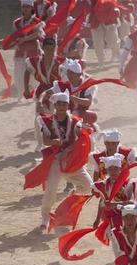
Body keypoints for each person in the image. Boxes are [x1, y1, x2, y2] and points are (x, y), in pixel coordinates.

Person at [37, 90, 94, 231]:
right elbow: (45, 140)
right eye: (60, 104)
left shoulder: (75, 121)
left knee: (88, 186)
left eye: (65, 104)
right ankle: (45, 217)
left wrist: (69, 150)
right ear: (55, 105)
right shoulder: (47, 121)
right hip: (56, 161)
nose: (62, 106)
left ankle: (67, 204)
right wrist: (53, 142)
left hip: (72, 160)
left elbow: (82, 137)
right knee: (51, 191)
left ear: (68, 105)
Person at [91, 153, 137, 243]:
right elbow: (102, 202)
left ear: (120, 169)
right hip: (112, 219)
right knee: (117, 242)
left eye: (116, 169)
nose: (113, 172)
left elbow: (133, 203)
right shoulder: (104, 185)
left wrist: (115, 205)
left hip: (128, 218)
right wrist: (97, 219)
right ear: (107, 170)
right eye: (110, 169)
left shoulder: (128, 184)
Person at [24, 37, 63, 151]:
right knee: (39, 117)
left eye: (52, 48)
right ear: (43, 48)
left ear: (55, 48)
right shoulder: (35, 61)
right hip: (41, 92)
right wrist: (26, 88)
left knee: (57, 118)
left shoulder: (60, 61)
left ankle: (57, 141)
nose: (50, 51)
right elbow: (27, 71)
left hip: (57, 92)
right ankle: (40, 143)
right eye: (48, 49)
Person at [3, 0, 45, 100]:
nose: (25, 9)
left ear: (31, 8)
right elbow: (14, 36)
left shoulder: (37, 21)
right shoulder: (17, 22)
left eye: (27, 7)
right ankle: (20, 96)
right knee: (18, 76)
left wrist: (25, 39)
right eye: (24, 7)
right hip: (20, 52)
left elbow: (38, 34)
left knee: (34, 76)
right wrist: (4, 42)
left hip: (33, 51)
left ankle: (35, 94)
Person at [42, 59, 98, 130]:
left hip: (80, 115)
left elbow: (88, 102)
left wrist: (72, 98)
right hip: (64, 115)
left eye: (72, 73)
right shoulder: (62, 85)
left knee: (92, 116)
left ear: (79, 74)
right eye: (68, 73)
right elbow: (46, 93)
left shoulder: (86, 85)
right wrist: (39, 102)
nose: (69, 75)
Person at [90, 0, 121, 64]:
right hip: (95, 20)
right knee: (98, 42)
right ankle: (100, 60)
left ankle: (116, 54)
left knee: (113, 40)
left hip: (109, 19)